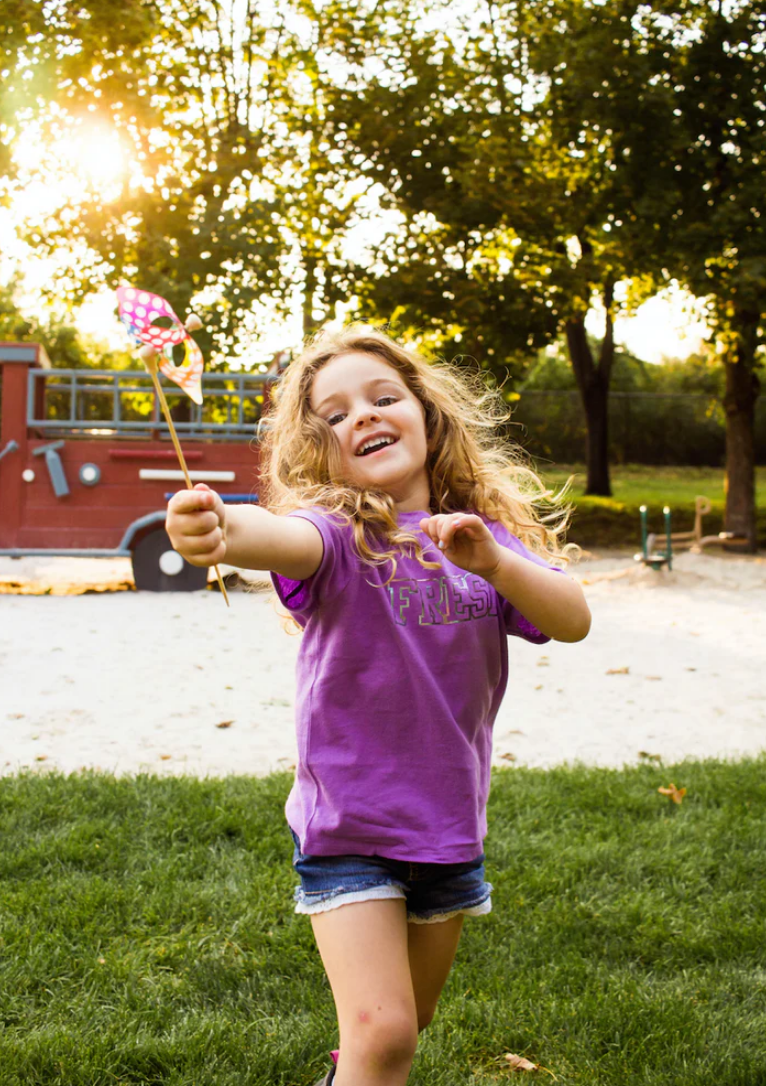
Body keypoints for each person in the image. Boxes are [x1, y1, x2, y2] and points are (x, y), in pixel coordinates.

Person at [166, 324, 591, 1086]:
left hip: (449, 829)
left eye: (381, 397)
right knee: (386, 1032)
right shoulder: (335, 536)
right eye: (332, 415)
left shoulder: (482, 541)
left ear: (428, 416)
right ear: (317, 450)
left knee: (403, 1025)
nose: (359, 415)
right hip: (349, 827)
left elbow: (572, 619)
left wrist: (494, 561)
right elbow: (275, 535)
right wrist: (219, 526)